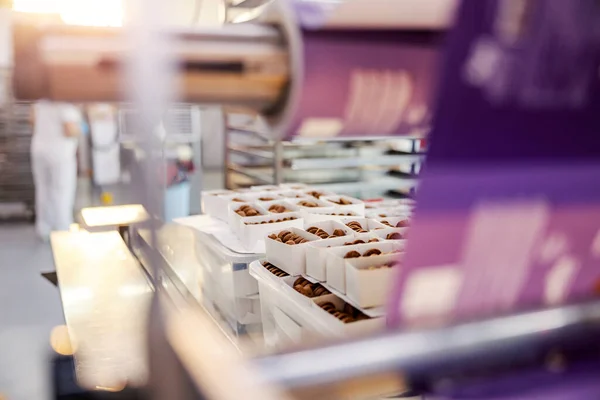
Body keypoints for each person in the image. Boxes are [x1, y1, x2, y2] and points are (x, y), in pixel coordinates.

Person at [30, 100, 82, 240]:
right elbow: (69, 129)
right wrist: (81, 129)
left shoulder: (40, 100)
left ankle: (44, 229)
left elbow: (32, 121)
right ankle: (62, 228)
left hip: (39, 149)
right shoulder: (65, 103)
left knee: (43, 189)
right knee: (62, 190)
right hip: (59, 152)